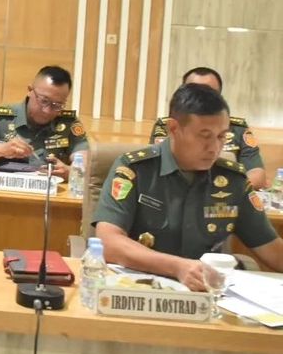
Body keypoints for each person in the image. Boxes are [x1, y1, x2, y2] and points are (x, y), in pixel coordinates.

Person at [94, 83, 283, 287]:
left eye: (221, 136)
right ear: (174, 129)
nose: (214, 148)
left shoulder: (233, 180)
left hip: (207, 293)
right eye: (205, 136)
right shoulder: (135, 170)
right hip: (142, 288)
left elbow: (273, 250)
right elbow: (108, 242)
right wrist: (177, 267)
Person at [0, 65, 89, 179]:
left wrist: (71, 171)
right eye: (44, 101)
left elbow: (85, 159)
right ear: (30, 91)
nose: (47, 110)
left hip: (47, 195)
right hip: (2, 193)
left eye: (57, 105)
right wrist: (1, 149)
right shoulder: (2, 117)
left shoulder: (68, 123)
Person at [148, 66, 267, 189]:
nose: (214, 148)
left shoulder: (237, 128)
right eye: (194, 93)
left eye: (221, 136)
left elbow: (258, 175)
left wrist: (219, 191)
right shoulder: (169, 125)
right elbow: (156, 169)